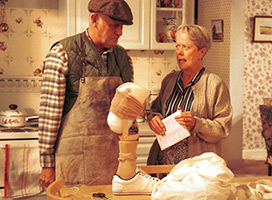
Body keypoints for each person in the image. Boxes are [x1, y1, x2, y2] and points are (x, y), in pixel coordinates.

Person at [38, 0, 134, 188]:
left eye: (122, 27)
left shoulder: (123, 59)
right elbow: (50, 117)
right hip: (72, 163)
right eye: (114, 25)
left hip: (113, 162)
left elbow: (128, 113)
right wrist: (47, 165)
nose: (120, 32)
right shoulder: (62, 54)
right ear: (94, 19)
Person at [147, 24, 233, 166]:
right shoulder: (169, 80)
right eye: (177, 46)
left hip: (196, 168)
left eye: (186, 47)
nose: (179, 52)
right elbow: (155, 110)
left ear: (201, 52)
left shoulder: (215, 84)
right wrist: (154, 119)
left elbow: (223, 129)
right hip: (163, 166)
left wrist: (196, 124)